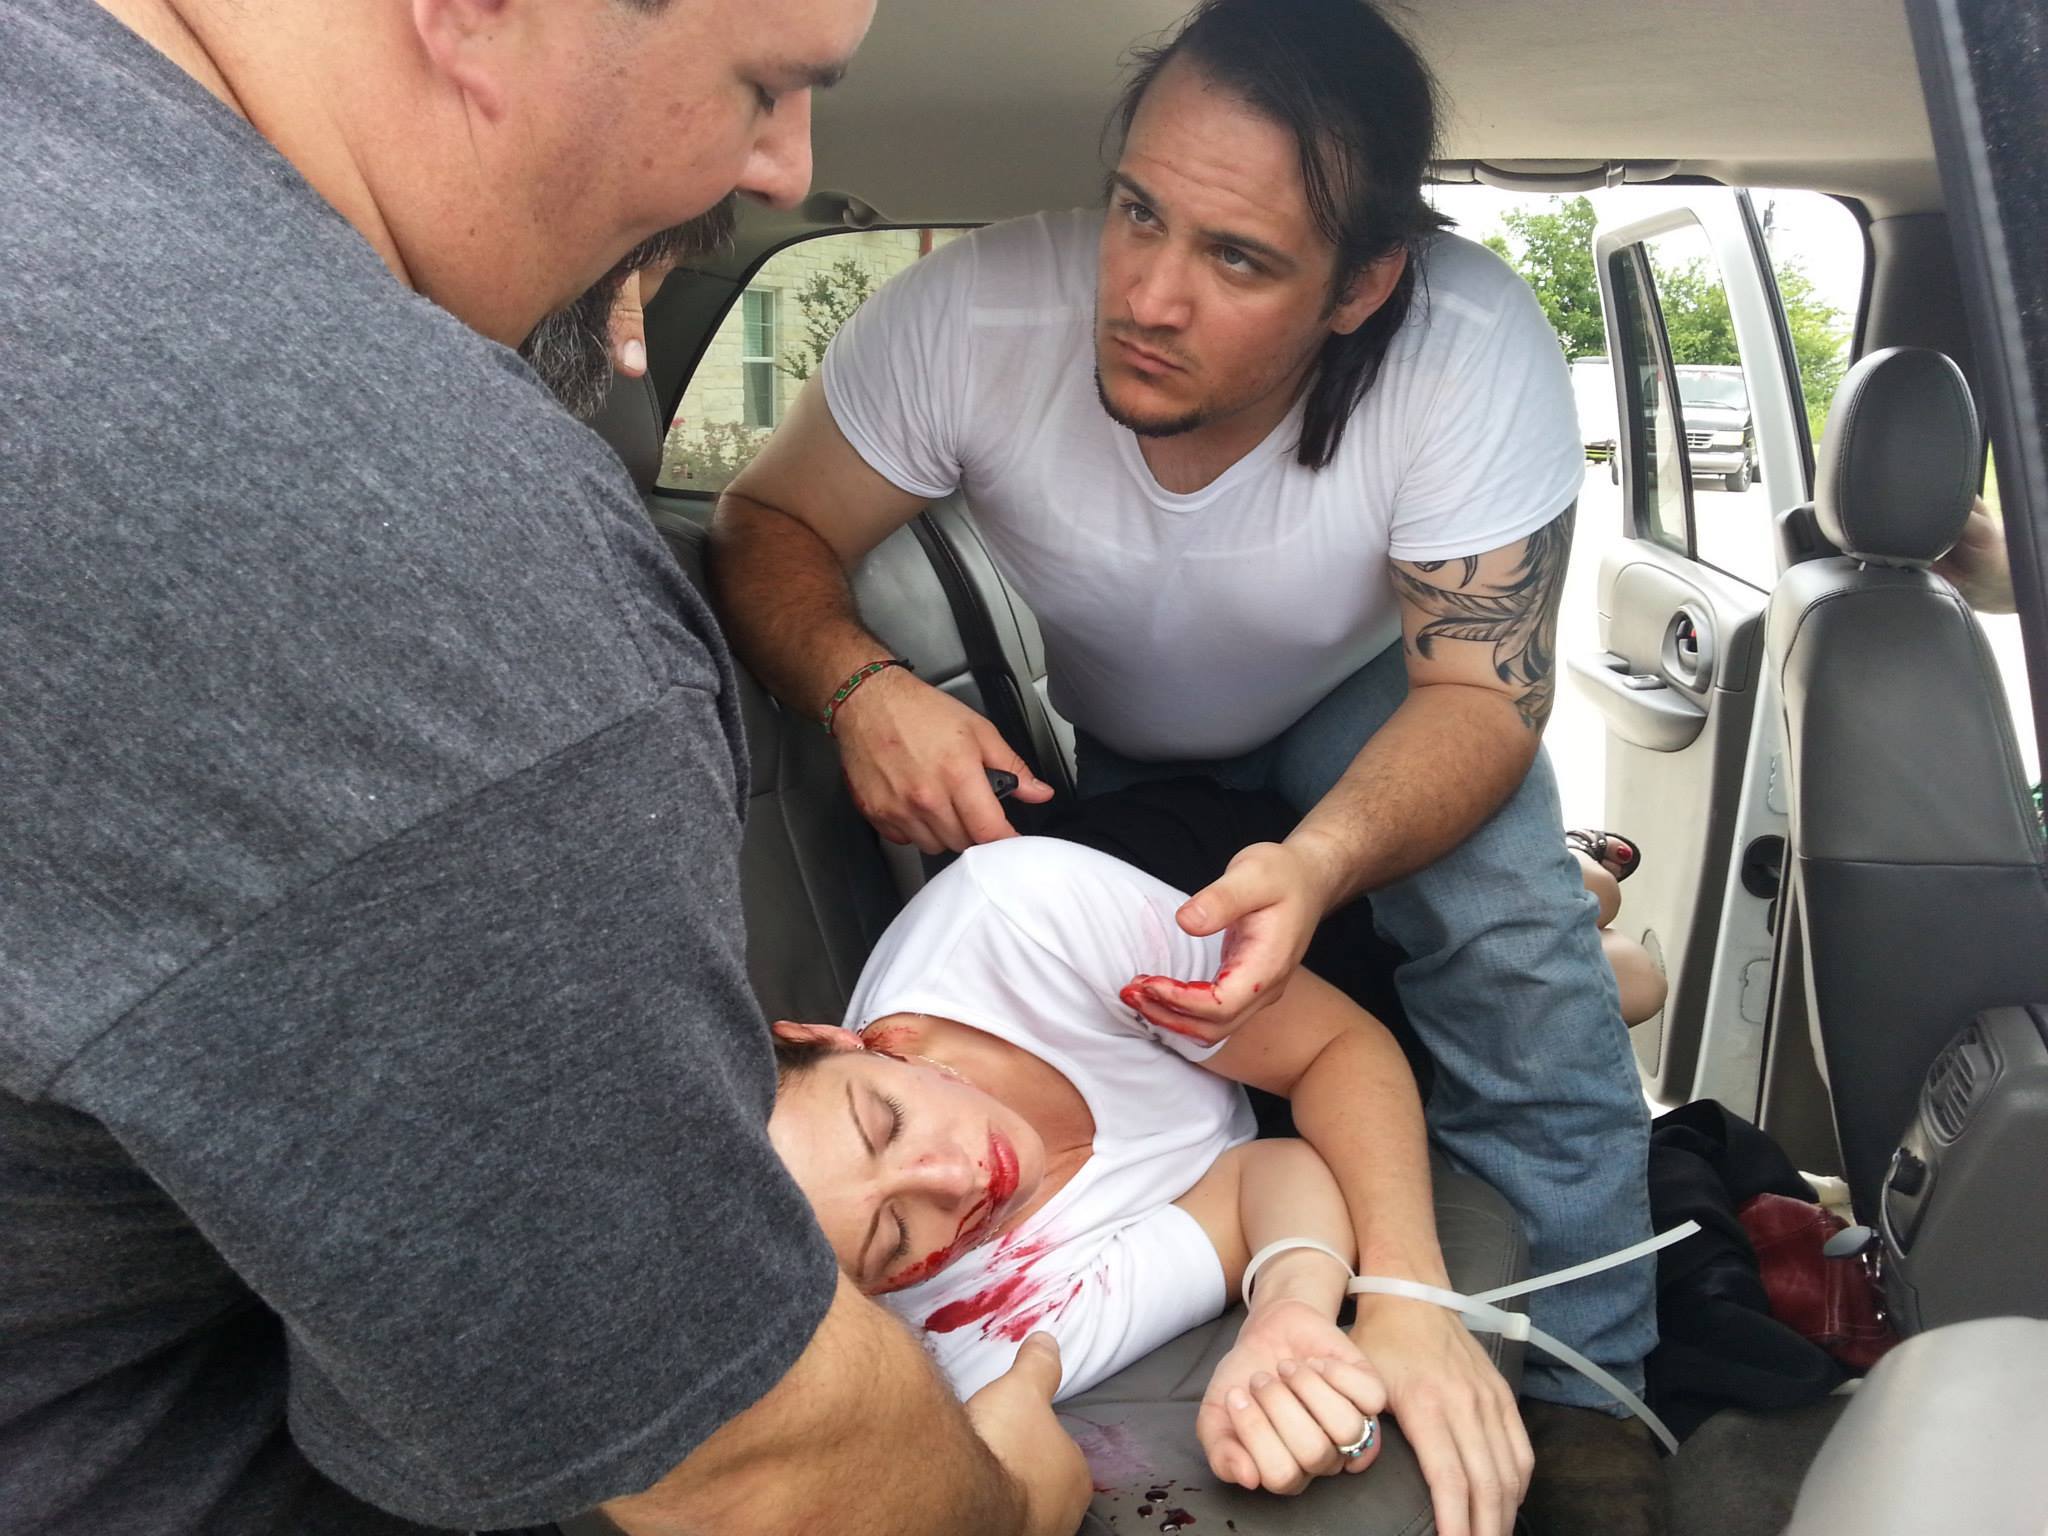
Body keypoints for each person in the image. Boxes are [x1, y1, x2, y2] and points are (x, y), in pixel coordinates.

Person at [0, 5, 1095, 1536]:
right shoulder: (403, 559)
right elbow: (753, 1467)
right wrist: (1020, 1501)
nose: (787, 170)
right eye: (765, 85)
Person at [705, 0, 1661, 1529]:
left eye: (1239, 258)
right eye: (1137, 211)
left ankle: (1594, 1400)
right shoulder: (971, 322)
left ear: (1361, 287)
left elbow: (1480, 698)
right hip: (1127, 751)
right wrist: (861, 687)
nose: (1147, 295)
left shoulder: (1467, 347)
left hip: (1372, 697)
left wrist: (1323, 858)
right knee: (1245, 987)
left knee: (1498, 919)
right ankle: (1596, 944)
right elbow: (769, 521)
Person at [766, 834, 1528, 1514]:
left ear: (829, 1039)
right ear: (873, 1293)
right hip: (1257, 1110)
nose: (953, 1178)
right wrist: (1287, 1309)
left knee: (1483, 940)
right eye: (896, 1233)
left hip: (1198, 883)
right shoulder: (980, 1327)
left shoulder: (1022, 914)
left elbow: (1335, 1047)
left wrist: (1407, 1300)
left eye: (886, 1121)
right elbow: (1258, 1179)